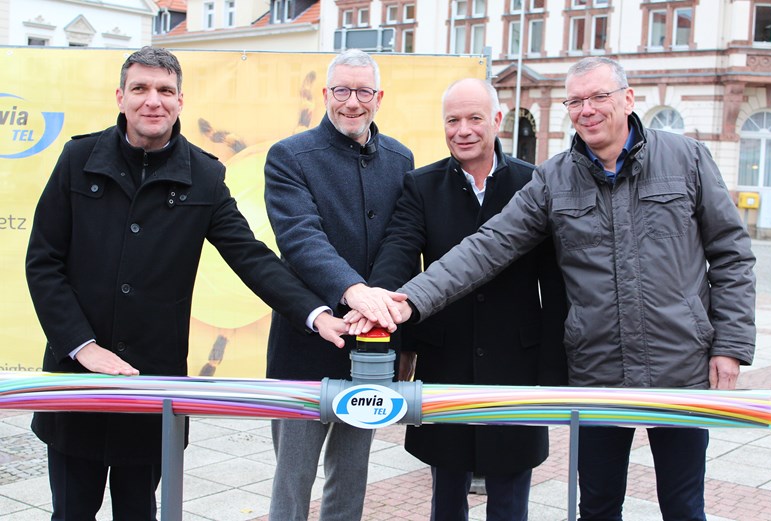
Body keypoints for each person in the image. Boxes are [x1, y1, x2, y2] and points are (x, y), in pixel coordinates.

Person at [350, 57, 757, 520]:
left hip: (681, 363)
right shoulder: (554, 179)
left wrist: (730, 344)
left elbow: (731, 253)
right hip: (598, 371)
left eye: (599, 96)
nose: (587, 109)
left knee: (684, 507)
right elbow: (487, 247)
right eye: (576, 100)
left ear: (627, 98)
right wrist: (410, 302)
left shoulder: (686, 158)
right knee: (598, 506)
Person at [25, 46, 347, 521]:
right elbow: (43, 263)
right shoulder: (77, 159)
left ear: (180, 101)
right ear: (120, 96)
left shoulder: (205, 175)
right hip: (77, 379)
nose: (152, 100)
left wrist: (317, 314)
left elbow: (252, 258)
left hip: (152, 380)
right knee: (71, 512)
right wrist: (82, 346)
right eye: (140, 89)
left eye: (164, 90)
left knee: (139, 511)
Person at [364, 78, 567, 520]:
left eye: (475, 118)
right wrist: (379, 305)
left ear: (497, 120)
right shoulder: (421, 185)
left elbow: (555, 285)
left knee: (511, 494)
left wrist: (553, 370)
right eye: (452, 120)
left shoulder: (534, 183)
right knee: (447, 492)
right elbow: (398, 254)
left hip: (517, 363)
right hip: (446, 358)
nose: (463, 130)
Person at [263, 49, 414, 521]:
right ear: (326, 93)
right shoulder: (289, 156)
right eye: (342, 91)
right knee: (293, 481)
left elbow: (400, 240)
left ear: (379, 97)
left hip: (372, 346)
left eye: (364, 91)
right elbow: (301, 238)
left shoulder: (400, 158)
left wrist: (376, 307)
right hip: (305, 344)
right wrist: (353, 292)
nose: (353, 102)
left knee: (352, 478)